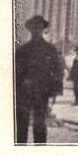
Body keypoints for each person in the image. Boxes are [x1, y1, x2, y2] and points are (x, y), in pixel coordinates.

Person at [15, 15, 64, 144]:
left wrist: (55, 90)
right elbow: (16, 72)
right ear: (30, 29)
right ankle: (20, 149)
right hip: (23, 93)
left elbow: (57, 71)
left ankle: (40, 150)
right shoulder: (22, 50)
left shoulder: (50, 49)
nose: (36, 30)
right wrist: (22, 83)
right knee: (22, 123)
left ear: (43, 29)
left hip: (42, 92)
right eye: (34, 27)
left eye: (39, 27)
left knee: (39, 123)